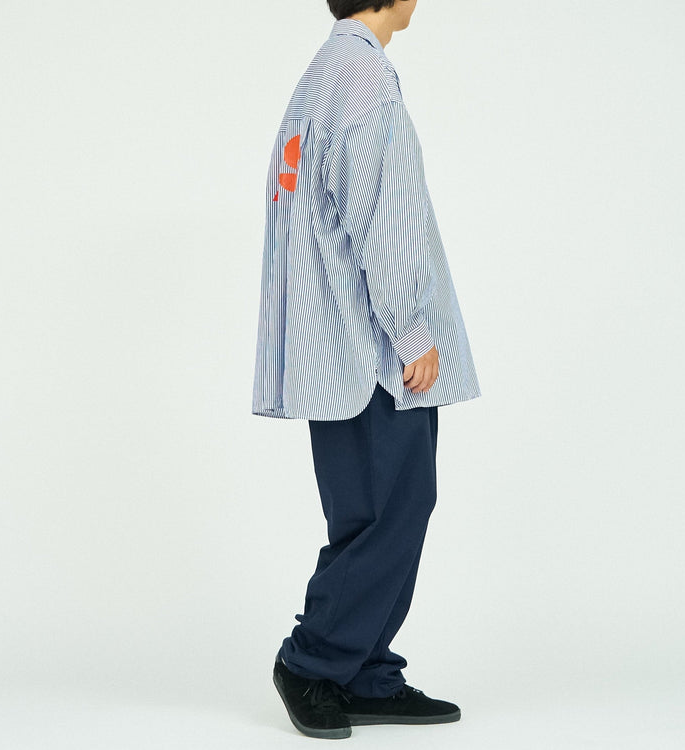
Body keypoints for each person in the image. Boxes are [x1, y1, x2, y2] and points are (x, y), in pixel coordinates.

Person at [252, 0, 482, 739]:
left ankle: (363, 673)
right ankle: (312, 662)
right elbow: (376, 218)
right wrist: (411, 332)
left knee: (364, 517)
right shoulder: (364, 77)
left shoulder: (326, 70)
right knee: (396, 510)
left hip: (331, 349)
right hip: (371, 354)